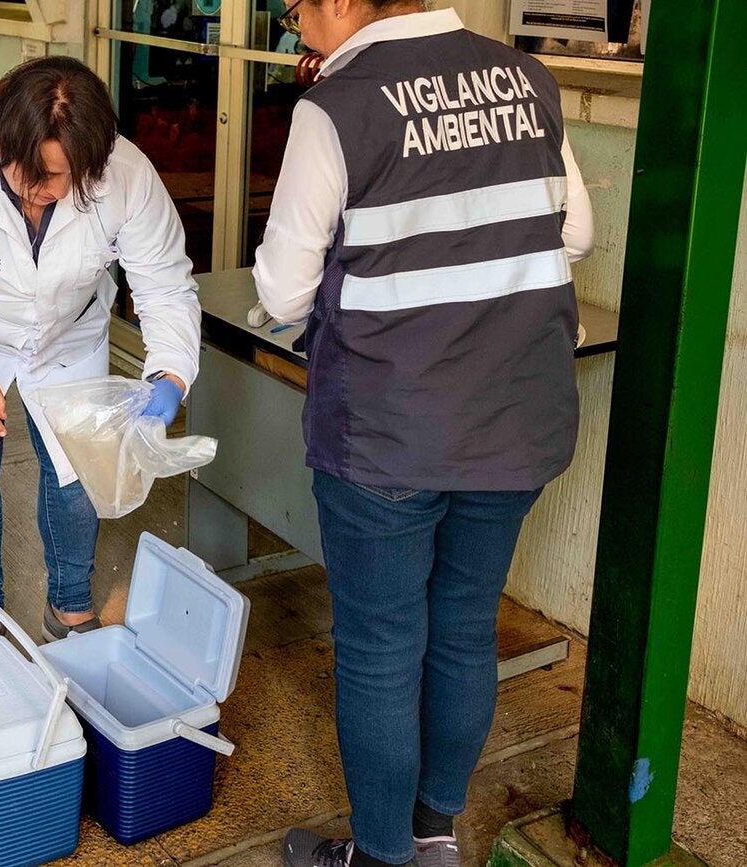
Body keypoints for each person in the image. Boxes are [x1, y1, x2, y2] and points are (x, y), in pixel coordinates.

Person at [252, 2, 594, 866]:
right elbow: (576, 235)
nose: (296, 23)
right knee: (464, 625)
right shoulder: (528, 76)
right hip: (517, 418)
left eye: (297, 7)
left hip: (388, 432)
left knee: (378, 646)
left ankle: (380, 855)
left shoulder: (338, 106)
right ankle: (434, 830)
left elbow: (285, 291)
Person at [0, 57, 201, 643]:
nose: (48, 194)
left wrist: (170, 371)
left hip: (67, 334)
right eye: (35, 174)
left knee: (75, 471)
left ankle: (70, 607)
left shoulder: (128, 175)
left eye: (66, 178)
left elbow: (164, 281)